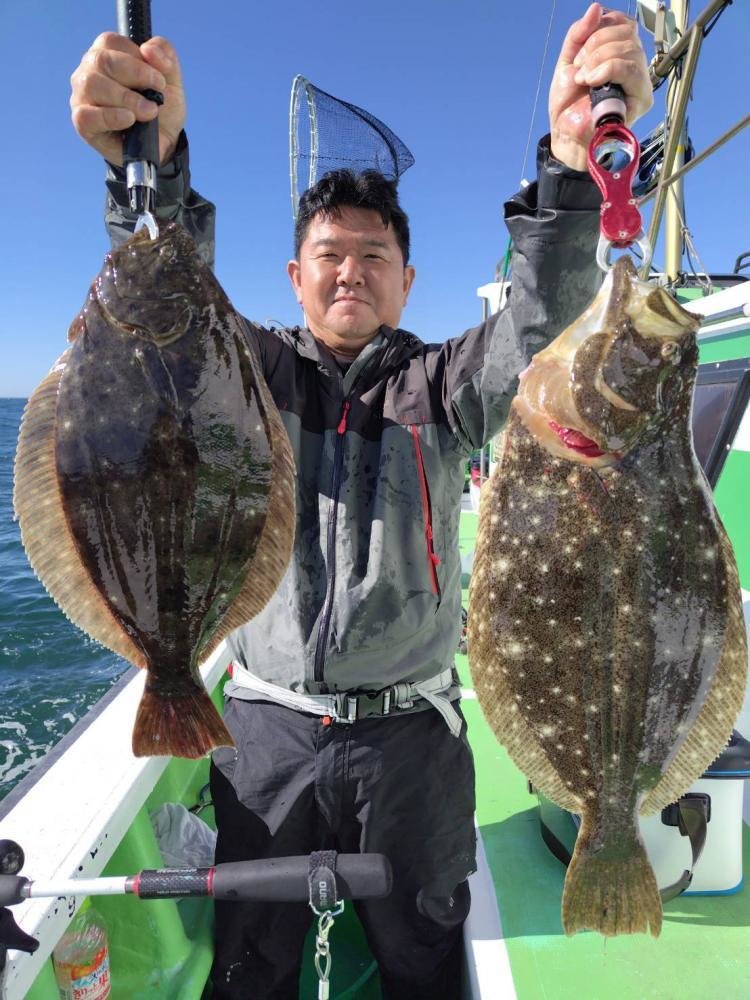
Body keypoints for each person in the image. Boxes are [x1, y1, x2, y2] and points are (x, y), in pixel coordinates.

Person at [69, 5, 652, 997]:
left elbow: (537, 325)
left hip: (411, 739)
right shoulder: (249, 374)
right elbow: (167, 314)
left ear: (407, 281)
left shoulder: (444, 384)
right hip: (265, 728)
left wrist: (566, 173)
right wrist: (148, 169)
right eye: (331, 254)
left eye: (374, 256)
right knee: (252, 960)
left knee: (422, 954)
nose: (351, 271)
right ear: (295, 276)